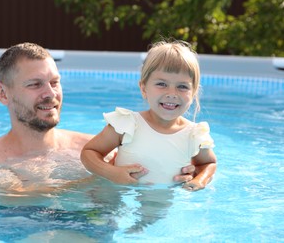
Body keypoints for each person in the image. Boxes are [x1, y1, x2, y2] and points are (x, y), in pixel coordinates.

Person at [0, 42, 197, 193]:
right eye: (35, 85)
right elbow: (20, 199)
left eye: (55, 83)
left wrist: (180, 171)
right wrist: (104, 175)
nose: (50, 94)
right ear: (3, 93)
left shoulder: (94, 148)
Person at [81, 40, 217, 191]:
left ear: (193, 93)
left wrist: (199, 180)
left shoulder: (193, 134)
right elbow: (89, 153)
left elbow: (208, 164)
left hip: (163, 201)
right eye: (161, 84)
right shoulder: (128, 124)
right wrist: (112, 173)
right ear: (144, 88)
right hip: (115, 195)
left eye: (182, 87)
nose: (172, 94)